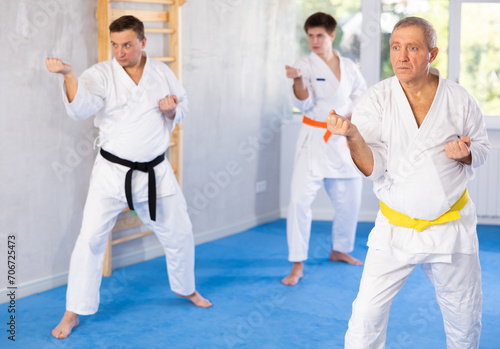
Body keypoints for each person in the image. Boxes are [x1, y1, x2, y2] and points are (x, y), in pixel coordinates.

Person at [326, 17, 490, 348]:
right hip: (394, 228)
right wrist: (353, 135)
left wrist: (465, 155)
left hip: (449, 228)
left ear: (432, 53)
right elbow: (373, 166)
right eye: (396, 47)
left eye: (412, 48)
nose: (401, 57)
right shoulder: (377, 98)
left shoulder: (458, 98)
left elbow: (483, 150)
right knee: (365, 317)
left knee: (463, 317)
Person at [46, 15, 212, 339]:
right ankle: (73, 311)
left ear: (143, 43)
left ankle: (186, 288)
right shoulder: (100, 74)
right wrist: (68, 74)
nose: (120, 52)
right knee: (90, 239)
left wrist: (171, 110)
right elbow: (81, 107)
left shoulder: (162, 72)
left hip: (155, 173)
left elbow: (184, 106)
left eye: (127, 45)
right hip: (111, 174)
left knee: (180, 232)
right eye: (115, 45)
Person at [282, 12, 367, 286]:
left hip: (341, 141)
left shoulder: (350, 66)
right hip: (314, 139)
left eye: (320, 35)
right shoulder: (303, 64)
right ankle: (297, 263)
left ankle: (340, 249)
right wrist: (297, 81)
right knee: (298, 202)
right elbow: (304, 104)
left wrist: (351, 117)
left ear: (332, 36)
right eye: (310, 36)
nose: (314, 41)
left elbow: (360, 95)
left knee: (349, 200)